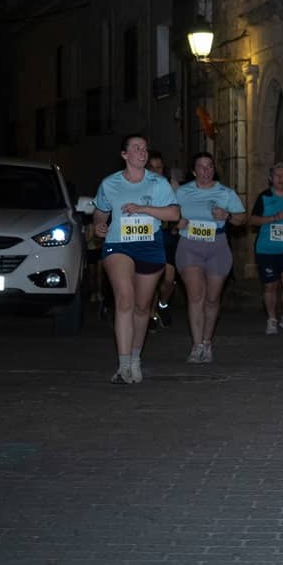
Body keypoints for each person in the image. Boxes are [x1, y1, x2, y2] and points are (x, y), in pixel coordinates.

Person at [92, 135, 179, 383]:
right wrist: (99, 225)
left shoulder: (158, 183)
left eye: (145, 148)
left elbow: (174, 214)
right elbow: (100, 212)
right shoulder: (109, 183)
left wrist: (143, 209)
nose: (142, 152)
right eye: (136, 148)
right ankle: (123, 365)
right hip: (118, 246)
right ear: (124, 155)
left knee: (142, 307)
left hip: (150, 247)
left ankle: (135, 359)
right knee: (125, 299)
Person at [174, 151, 247, 363]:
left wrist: (227, 216)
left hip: (217, 245)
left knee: (212, 298)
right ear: (193, 171)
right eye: (201, 167)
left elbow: (242, 218)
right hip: (189, 245)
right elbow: (168, 214)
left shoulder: (225, 193)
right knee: (196, 295)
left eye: (209, 167)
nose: (206, 171)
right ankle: (196, 345)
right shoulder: (182, 192)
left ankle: (207, 342)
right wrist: (175, 222)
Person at [248, 162, 283, 335]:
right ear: (271, 178)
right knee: (270, 285)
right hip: (267, 249)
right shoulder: (264, 197)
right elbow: (252, 220)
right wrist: (274, 218)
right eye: (276, 175)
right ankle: (271, 319)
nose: (280, 179)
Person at [146, 150, 180, 329]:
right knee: (151, 279)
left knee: (168, 280)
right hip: (148, 235)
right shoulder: (139, 185)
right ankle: (150, 315)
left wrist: (176, 225)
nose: (155, 171)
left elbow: (180, 208)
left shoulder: (171, 184)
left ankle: (163, 304)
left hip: (167, 235)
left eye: (158, 168)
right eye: (151, 167)